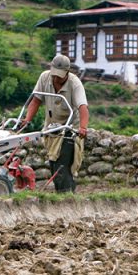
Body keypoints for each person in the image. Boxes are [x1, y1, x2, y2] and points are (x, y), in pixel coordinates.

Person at [21, 54, 89, 193]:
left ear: (67, 73)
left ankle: (65, 197)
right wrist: (27, 120)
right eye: (54, 75)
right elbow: (35, 100)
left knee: (61, 167)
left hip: (69, 129)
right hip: (51, 128)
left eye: (60, 76)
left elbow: (83, 107)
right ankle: (67, 196)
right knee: (54, 164)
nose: (56, 79)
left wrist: (83, 128)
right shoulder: (45, 77)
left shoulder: (75, 83)